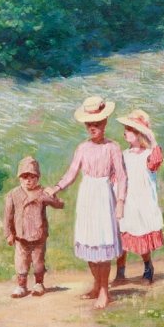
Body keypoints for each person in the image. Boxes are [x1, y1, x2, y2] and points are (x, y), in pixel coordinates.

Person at [48, 95, 128, 310]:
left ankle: (104, 290)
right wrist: (56, 188)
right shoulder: (82, 148)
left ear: (105, 124)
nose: (93, 128)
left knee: (103, 243)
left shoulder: (112, 147)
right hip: (87, 197)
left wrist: (120, 201)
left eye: (97, 124)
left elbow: (121, 176)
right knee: (90, 244)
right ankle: (96, 285)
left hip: (104, 196)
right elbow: (72, 172)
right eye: (89, 124)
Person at [3, 155, 65, 298]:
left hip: (38, 235)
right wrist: (8, 234)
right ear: (19, 178)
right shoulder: (13, 194)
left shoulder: (42, 193)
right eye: (25, 177)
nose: (29, 180)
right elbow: (8, 216)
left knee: (38, 261)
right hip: (20, 236)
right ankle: (21, 286)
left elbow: (60, 205)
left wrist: (53, 194)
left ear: (37, 178)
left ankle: (39, 283)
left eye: (32, 177)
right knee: (21, 262)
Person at [115, 109, 164, 283]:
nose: (125, 132)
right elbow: (117, 176)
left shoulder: (148, 155)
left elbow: (156, 161)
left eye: (129, 129)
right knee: (122, 237)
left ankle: (148, 267)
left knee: (140, 235)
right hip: (125, 201)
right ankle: (120, 272)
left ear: (140, 134)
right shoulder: (123, 155)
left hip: (141, 202)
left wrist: (151, 138)